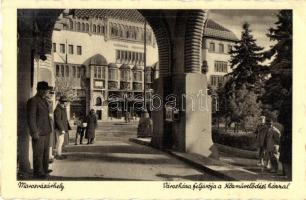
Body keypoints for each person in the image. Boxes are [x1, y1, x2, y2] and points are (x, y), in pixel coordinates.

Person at [27, 81, 52, 179]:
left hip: (46, 130)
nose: (47, 92)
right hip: (38, 132)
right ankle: (38, 172)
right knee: (38, 153)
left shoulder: (44, 100)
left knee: (45, 152)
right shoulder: (33, 101)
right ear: (40, 90)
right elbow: (31, 118)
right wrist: (34, 132)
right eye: (46, 90)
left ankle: (44, 169)